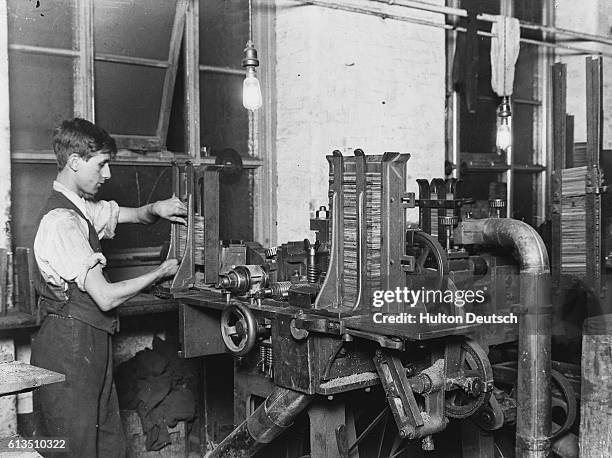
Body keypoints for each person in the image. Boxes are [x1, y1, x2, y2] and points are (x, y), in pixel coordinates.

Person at [29, 118, 187, 457]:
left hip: (87, 341)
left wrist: (156, 209)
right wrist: (161, 272)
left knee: (108, 442)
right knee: (77, 448)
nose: (108, 175)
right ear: (74, 162)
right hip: (69, 348)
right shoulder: (62, 222)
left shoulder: (80, 209)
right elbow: (105, 296)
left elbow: (134, 215)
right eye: (101, 164)